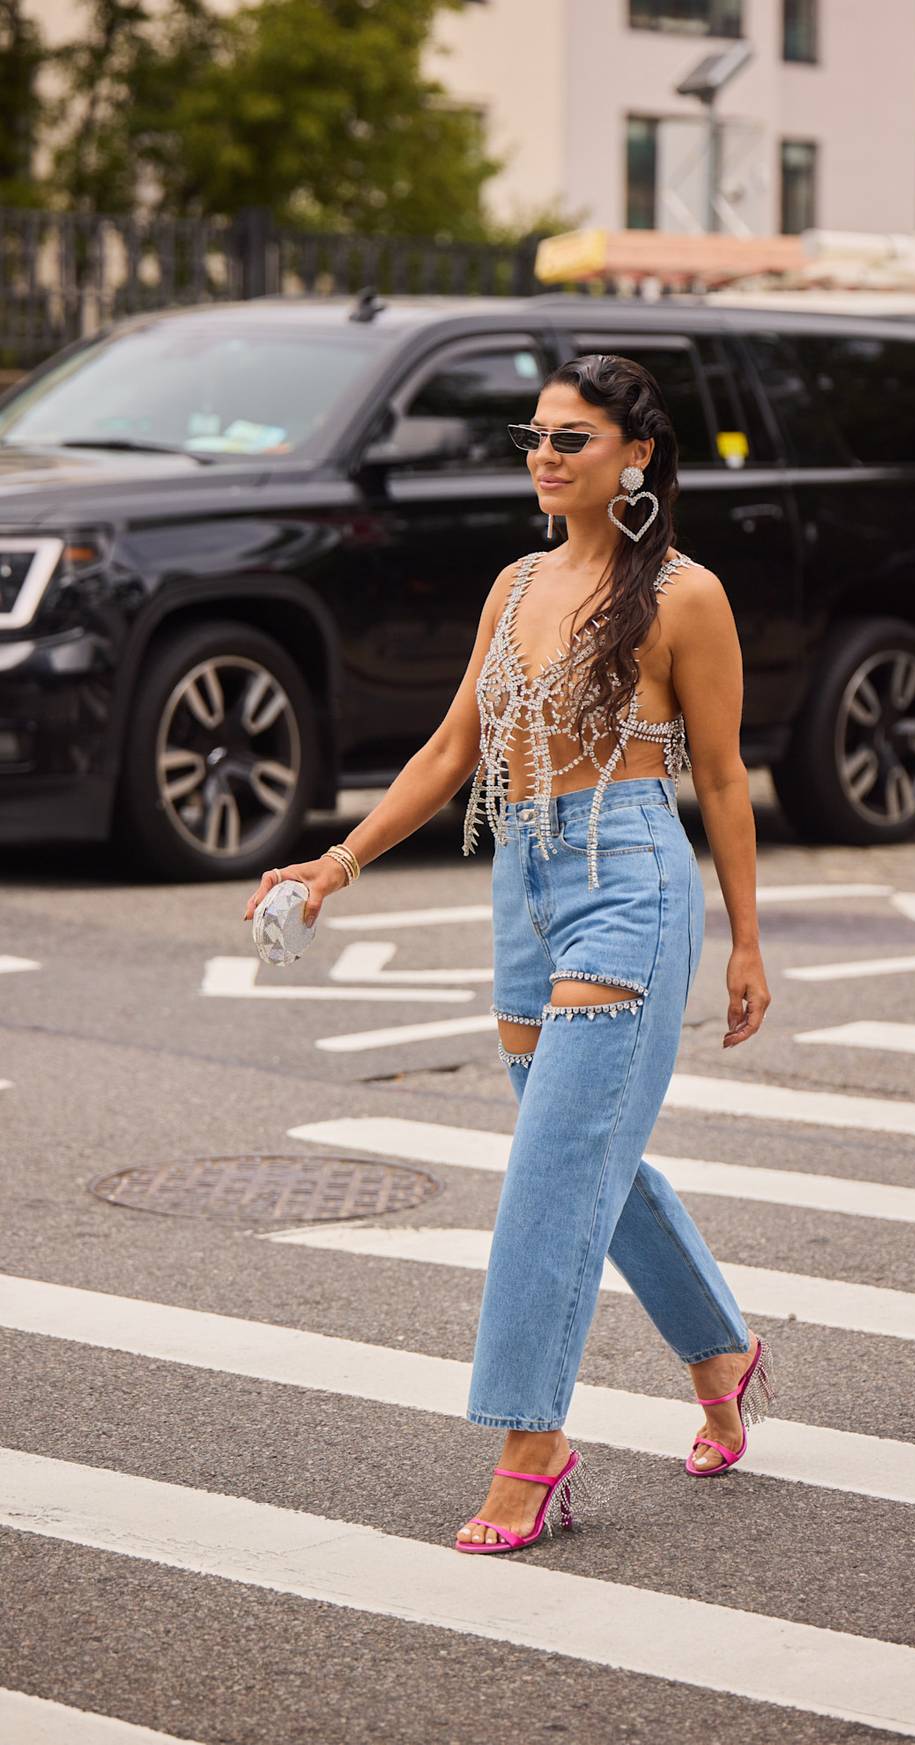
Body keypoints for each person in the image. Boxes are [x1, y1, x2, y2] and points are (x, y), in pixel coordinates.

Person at [243, 352, 774, 1553]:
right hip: (523, 883)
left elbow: (730, 778)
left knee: (549, 1172)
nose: (546, 455)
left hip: (628, 881)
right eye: (535, 436)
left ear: (635, 455)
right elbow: (449, 750)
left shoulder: (686, 595)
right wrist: (336, 865)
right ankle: (725, 1354)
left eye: (572, 438)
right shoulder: (517, 581)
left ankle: (532, 1442)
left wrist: (746, 942)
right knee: (590, 1154)